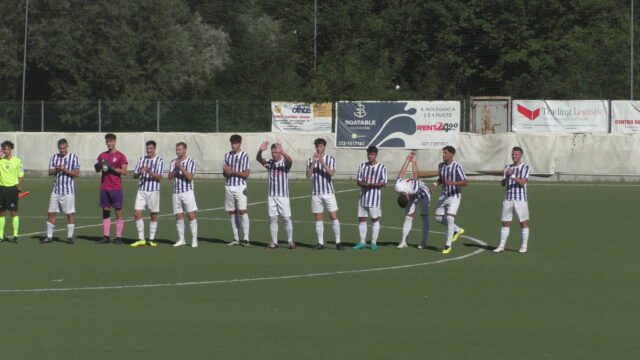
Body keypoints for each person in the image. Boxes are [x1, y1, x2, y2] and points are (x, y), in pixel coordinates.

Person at [257, 141, 295, 249]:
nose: (274, 154)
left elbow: (290, 161)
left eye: (276, 152)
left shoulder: (285, 163)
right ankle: (274, 242)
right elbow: (259, 159)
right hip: (271, 196)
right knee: (273, 218)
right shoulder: (270, 163)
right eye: (272, 152)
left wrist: (282, 151)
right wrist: (260, 150)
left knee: (286, 218)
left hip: (283, 195)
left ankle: (290, 241)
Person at [306, 138, 343, 250]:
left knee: (333, 216)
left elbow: (331, 173)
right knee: (318, 218)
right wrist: (313, 164)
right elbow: (308, 177)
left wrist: (322, 162)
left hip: (328, 193)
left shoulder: (330, 159)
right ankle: (320, 243)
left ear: (324, 147)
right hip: (316, 193)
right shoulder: (310, 160)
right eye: (317, 146)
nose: (318, 148)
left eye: (320, 146)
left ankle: (338, 242)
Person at [429, 145, 467, 254]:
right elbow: (441, 179)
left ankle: (447, 245)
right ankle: (457, 230)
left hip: (454, 196)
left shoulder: (457, 166)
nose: (443, 155)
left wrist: (453, 183)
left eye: (445, 153)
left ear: (451, 154)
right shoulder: (441, 166)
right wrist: (435, 184)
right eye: (443, 153)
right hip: (444, 195)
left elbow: (465, 182)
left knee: (450, 218)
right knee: (437, 217)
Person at [43, 138, 80, 244]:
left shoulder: (73, 157)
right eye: (60, 148)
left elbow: (76, 173)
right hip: (56, 190)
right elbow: (50, 172)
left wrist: (65, 170)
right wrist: (57, 169)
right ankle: (49, 236)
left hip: (68, 190)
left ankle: (69, 237)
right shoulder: (54, 157)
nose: (62, 150)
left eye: (64, 148)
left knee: (69, 214)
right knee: (51, 213)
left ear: (67, 147)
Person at [494, 147, 530, 253]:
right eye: (513, 154)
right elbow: (502, 184)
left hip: (520, 199)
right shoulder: (507, 168)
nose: (514, 156)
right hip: (508, 198)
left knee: (523, 222)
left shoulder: (525, 167)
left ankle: (524, 246)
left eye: (516, 154)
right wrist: (506, 178)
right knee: (505, 222)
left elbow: (522, 182)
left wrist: (512, 176)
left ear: (521, 155)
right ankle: (501, 245)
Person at [94, 133, 127, 244]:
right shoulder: (102, 155)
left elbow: (124, 171)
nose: (109, 143)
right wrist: (97, 167)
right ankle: (106, 236)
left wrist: (112, 168)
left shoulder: (120, 156)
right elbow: (98, 170)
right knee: (105, 210)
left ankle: (118, 237)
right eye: (107, 141)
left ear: (115, 141)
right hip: (104, 187)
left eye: (111, 141)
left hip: (116, 187)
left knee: (118, 212)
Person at [394, 151, 431, 249]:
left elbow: (415, 175)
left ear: (405, 196)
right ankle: (403, 241)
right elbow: (402, 173)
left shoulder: (411, 188)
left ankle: (424, 242)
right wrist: (408, 160)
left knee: (424, 216)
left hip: (422, 192)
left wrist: (411, 160)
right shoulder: (397, 187)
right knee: (408, 216)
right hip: (412, 194)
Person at [353, 146, 387, 250]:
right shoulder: (362, 166)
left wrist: (374, 185)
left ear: (376, 155)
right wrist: (365, 184)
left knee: (374, 219)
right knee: (362, 219)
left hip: (374, 198)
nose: (369, 156)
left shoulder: (382, 167)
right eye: (368, 154)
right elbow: (358, 181)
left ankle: (373, 242)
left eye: (372, 154)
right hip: (363, 197)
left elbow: (384, 182)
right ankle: (362, 242)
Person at [131, 140, 164, 247]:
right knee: (137, 213)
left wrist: (149, 171)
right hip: (141, 190)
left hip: (153, 190)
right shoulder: (142, 159)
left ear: (154, 149)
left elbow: (159, 177)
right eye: (147, 148)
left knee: (153, 214)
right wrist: (139, 172)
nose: (149, 150)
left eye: (151, 148)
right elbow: (134, 175)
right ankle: (141, 239)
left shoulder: (159, 160)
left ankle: (151, 239)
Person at [169, 142, 198, 247]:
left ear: (185, 150)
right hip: (176, 192)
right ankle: (182, 239)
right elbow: (169, 177)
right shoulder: (173, 162)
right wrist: (175, 169)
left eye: (179, 150)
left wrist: (180, 168)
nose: (177, 152)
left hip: (187, 191)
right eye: (176, 150)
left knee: (191, 215)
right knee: (178, 215)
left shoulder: (191, 161)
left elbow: (190, 177)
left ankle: (194, 239)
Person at [223, 134, 251, 246]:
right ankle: (236, 238)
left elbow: (246, 174)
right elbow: (225, 173)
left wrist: (232, 171)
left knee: (242, 211)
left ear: (239, 144)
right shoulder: (227, 155)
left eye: (235, 143)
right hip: (229, 186)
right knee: (232, 212)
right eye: (232, 143)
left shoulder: (244, 156)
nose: (233, 145)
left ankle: (246, 238)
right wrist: (226, 171)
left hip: (240, 186)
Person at [0, 141, 24, 243]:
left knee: (13, 212)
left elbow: (21, 175)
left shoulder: (18, 161)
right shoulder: (0, 161)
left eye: (7, 149)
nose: (6, 151)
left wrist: (19, 189)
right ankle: (0, 236)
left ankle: (15, 235)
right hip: (1, 189)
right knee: (1, 213)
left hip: (12, 190)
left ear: (11, 149)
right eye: (4, 149)